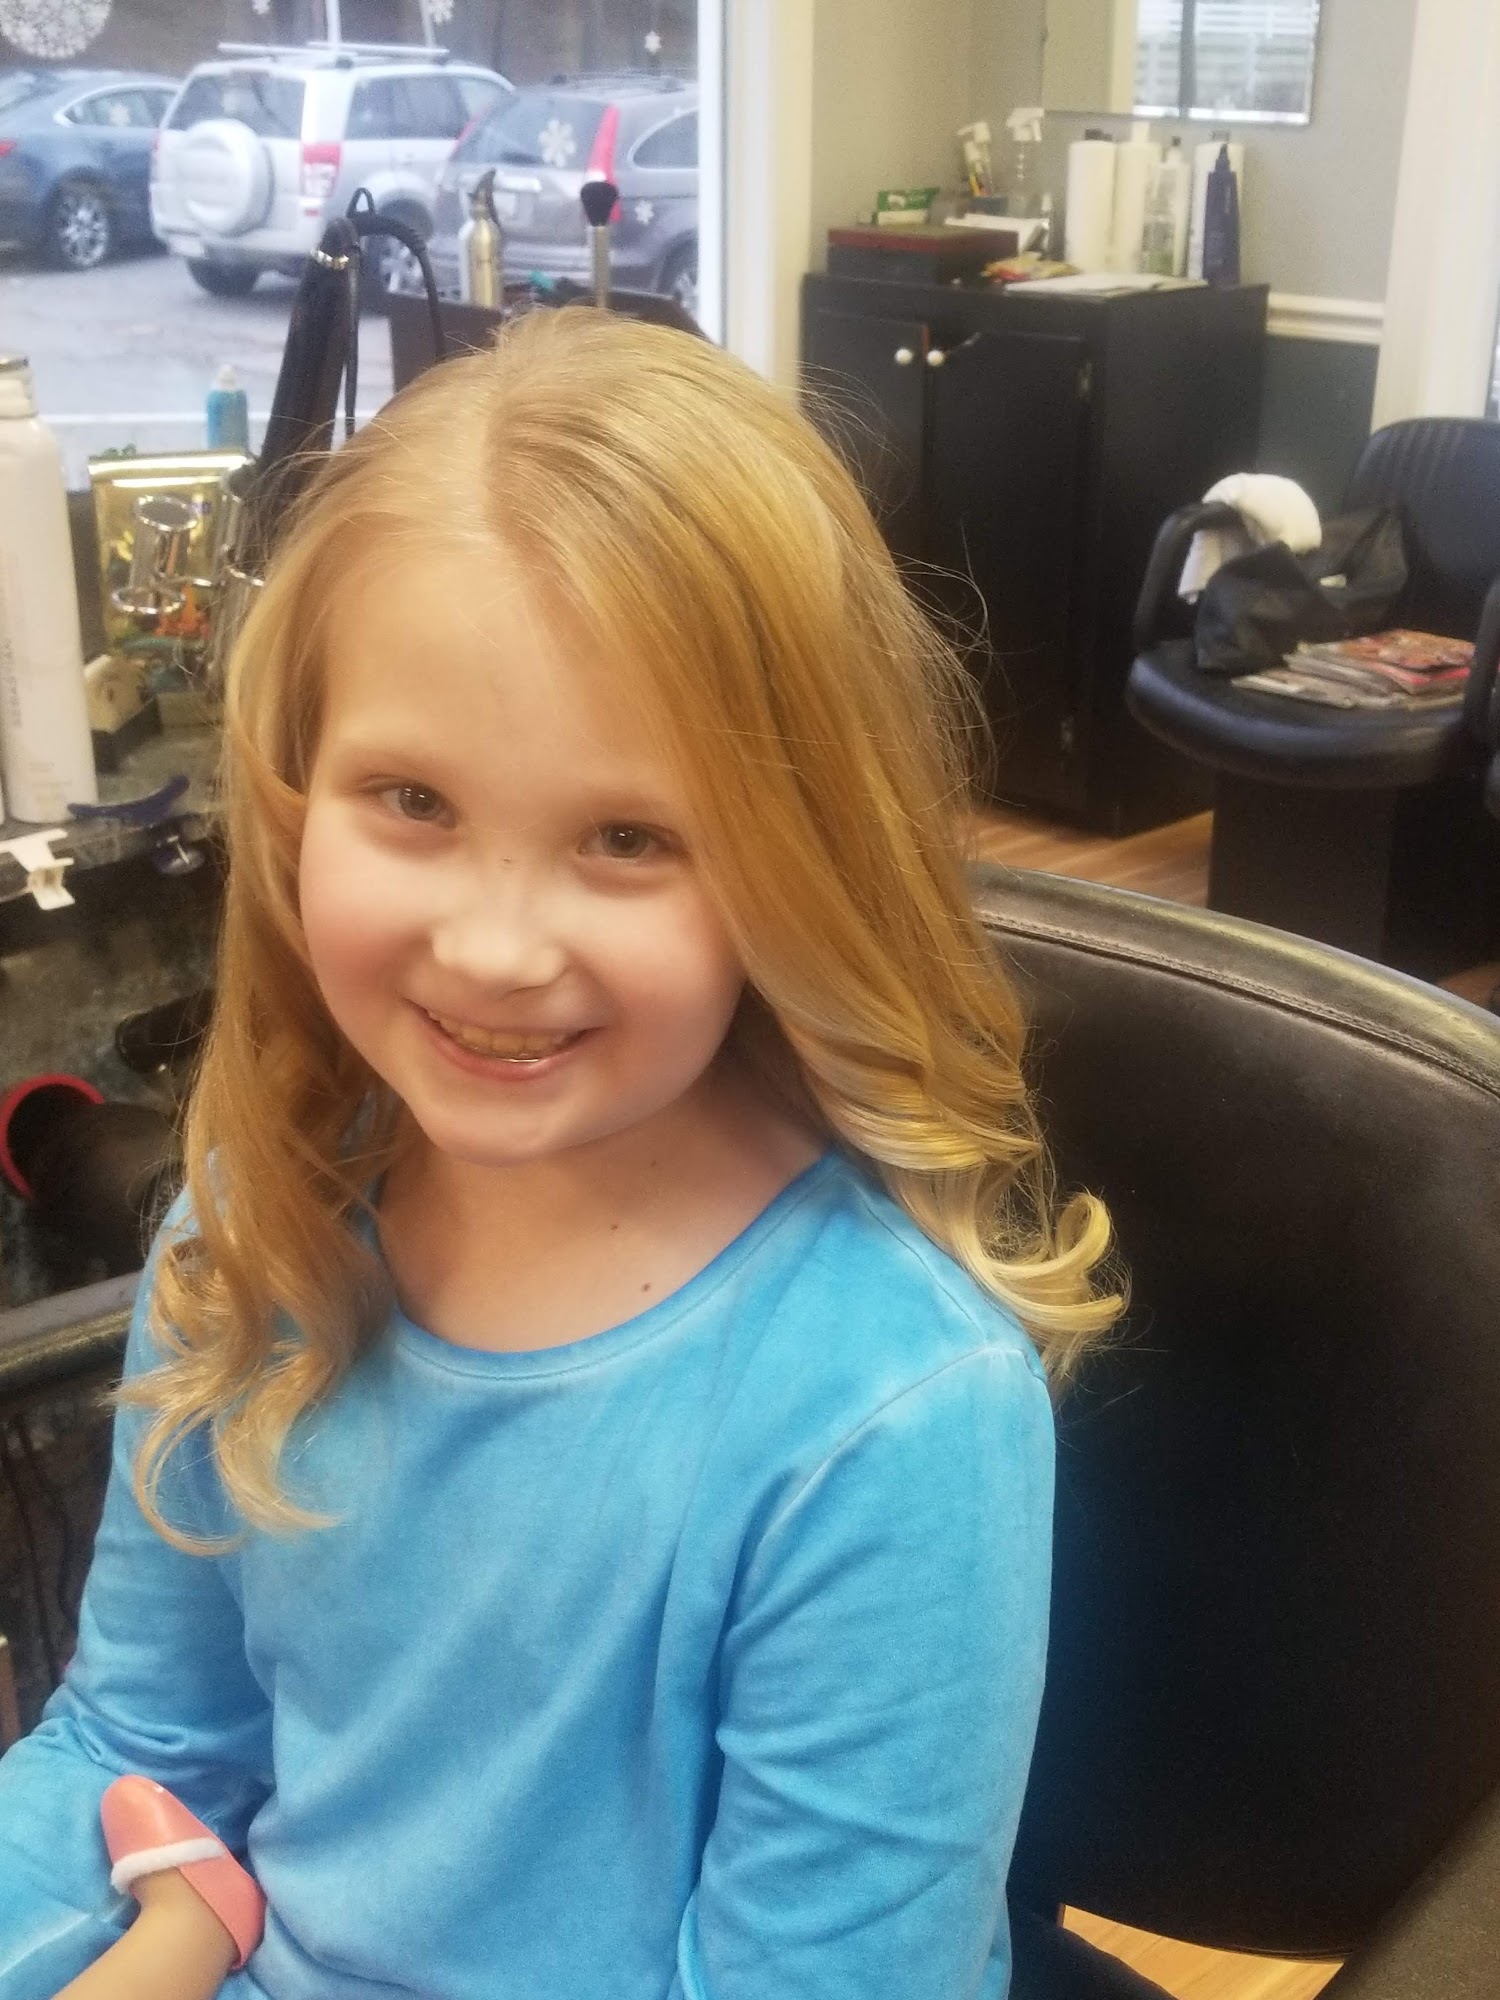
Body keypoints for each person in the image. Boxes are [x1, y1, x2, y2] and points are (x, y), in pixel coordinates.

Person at [0, 307, 1121, 2000]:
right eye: (413, 802)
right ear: (295, 795)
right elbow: (139, 1748)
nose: (497, 948)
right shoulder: (253, 1232)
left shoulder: (889, 1412)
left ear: (801, 864)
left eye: (627, 836)